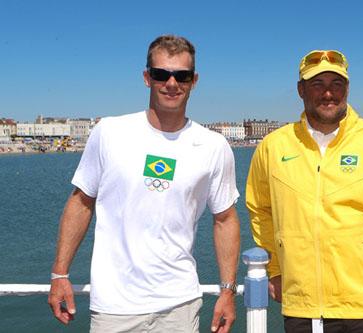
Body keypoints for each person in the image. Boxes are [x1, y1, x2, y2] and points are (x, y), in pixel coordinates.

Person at [48, 35, 240, 333]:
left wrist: (227, 291)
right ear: (147, 77)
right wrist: (59, 274)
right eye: (161, 74)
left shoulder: (213, 146)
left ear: (194, 81)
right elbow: (81, 202)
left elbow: (225, 219)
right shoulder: (109, 132)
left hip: (180, 305)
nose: (172, 83)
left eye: (182, 76)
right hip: (114, 307)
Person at [246, 50, 363, 333]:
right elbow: (260, 210)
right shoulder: (273, 148)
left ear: (347, 88)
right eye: (317, 84)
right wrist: (275, 269)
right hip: (304, 308)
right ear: (301, 90)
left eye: (337, 84)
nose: (328, 93)